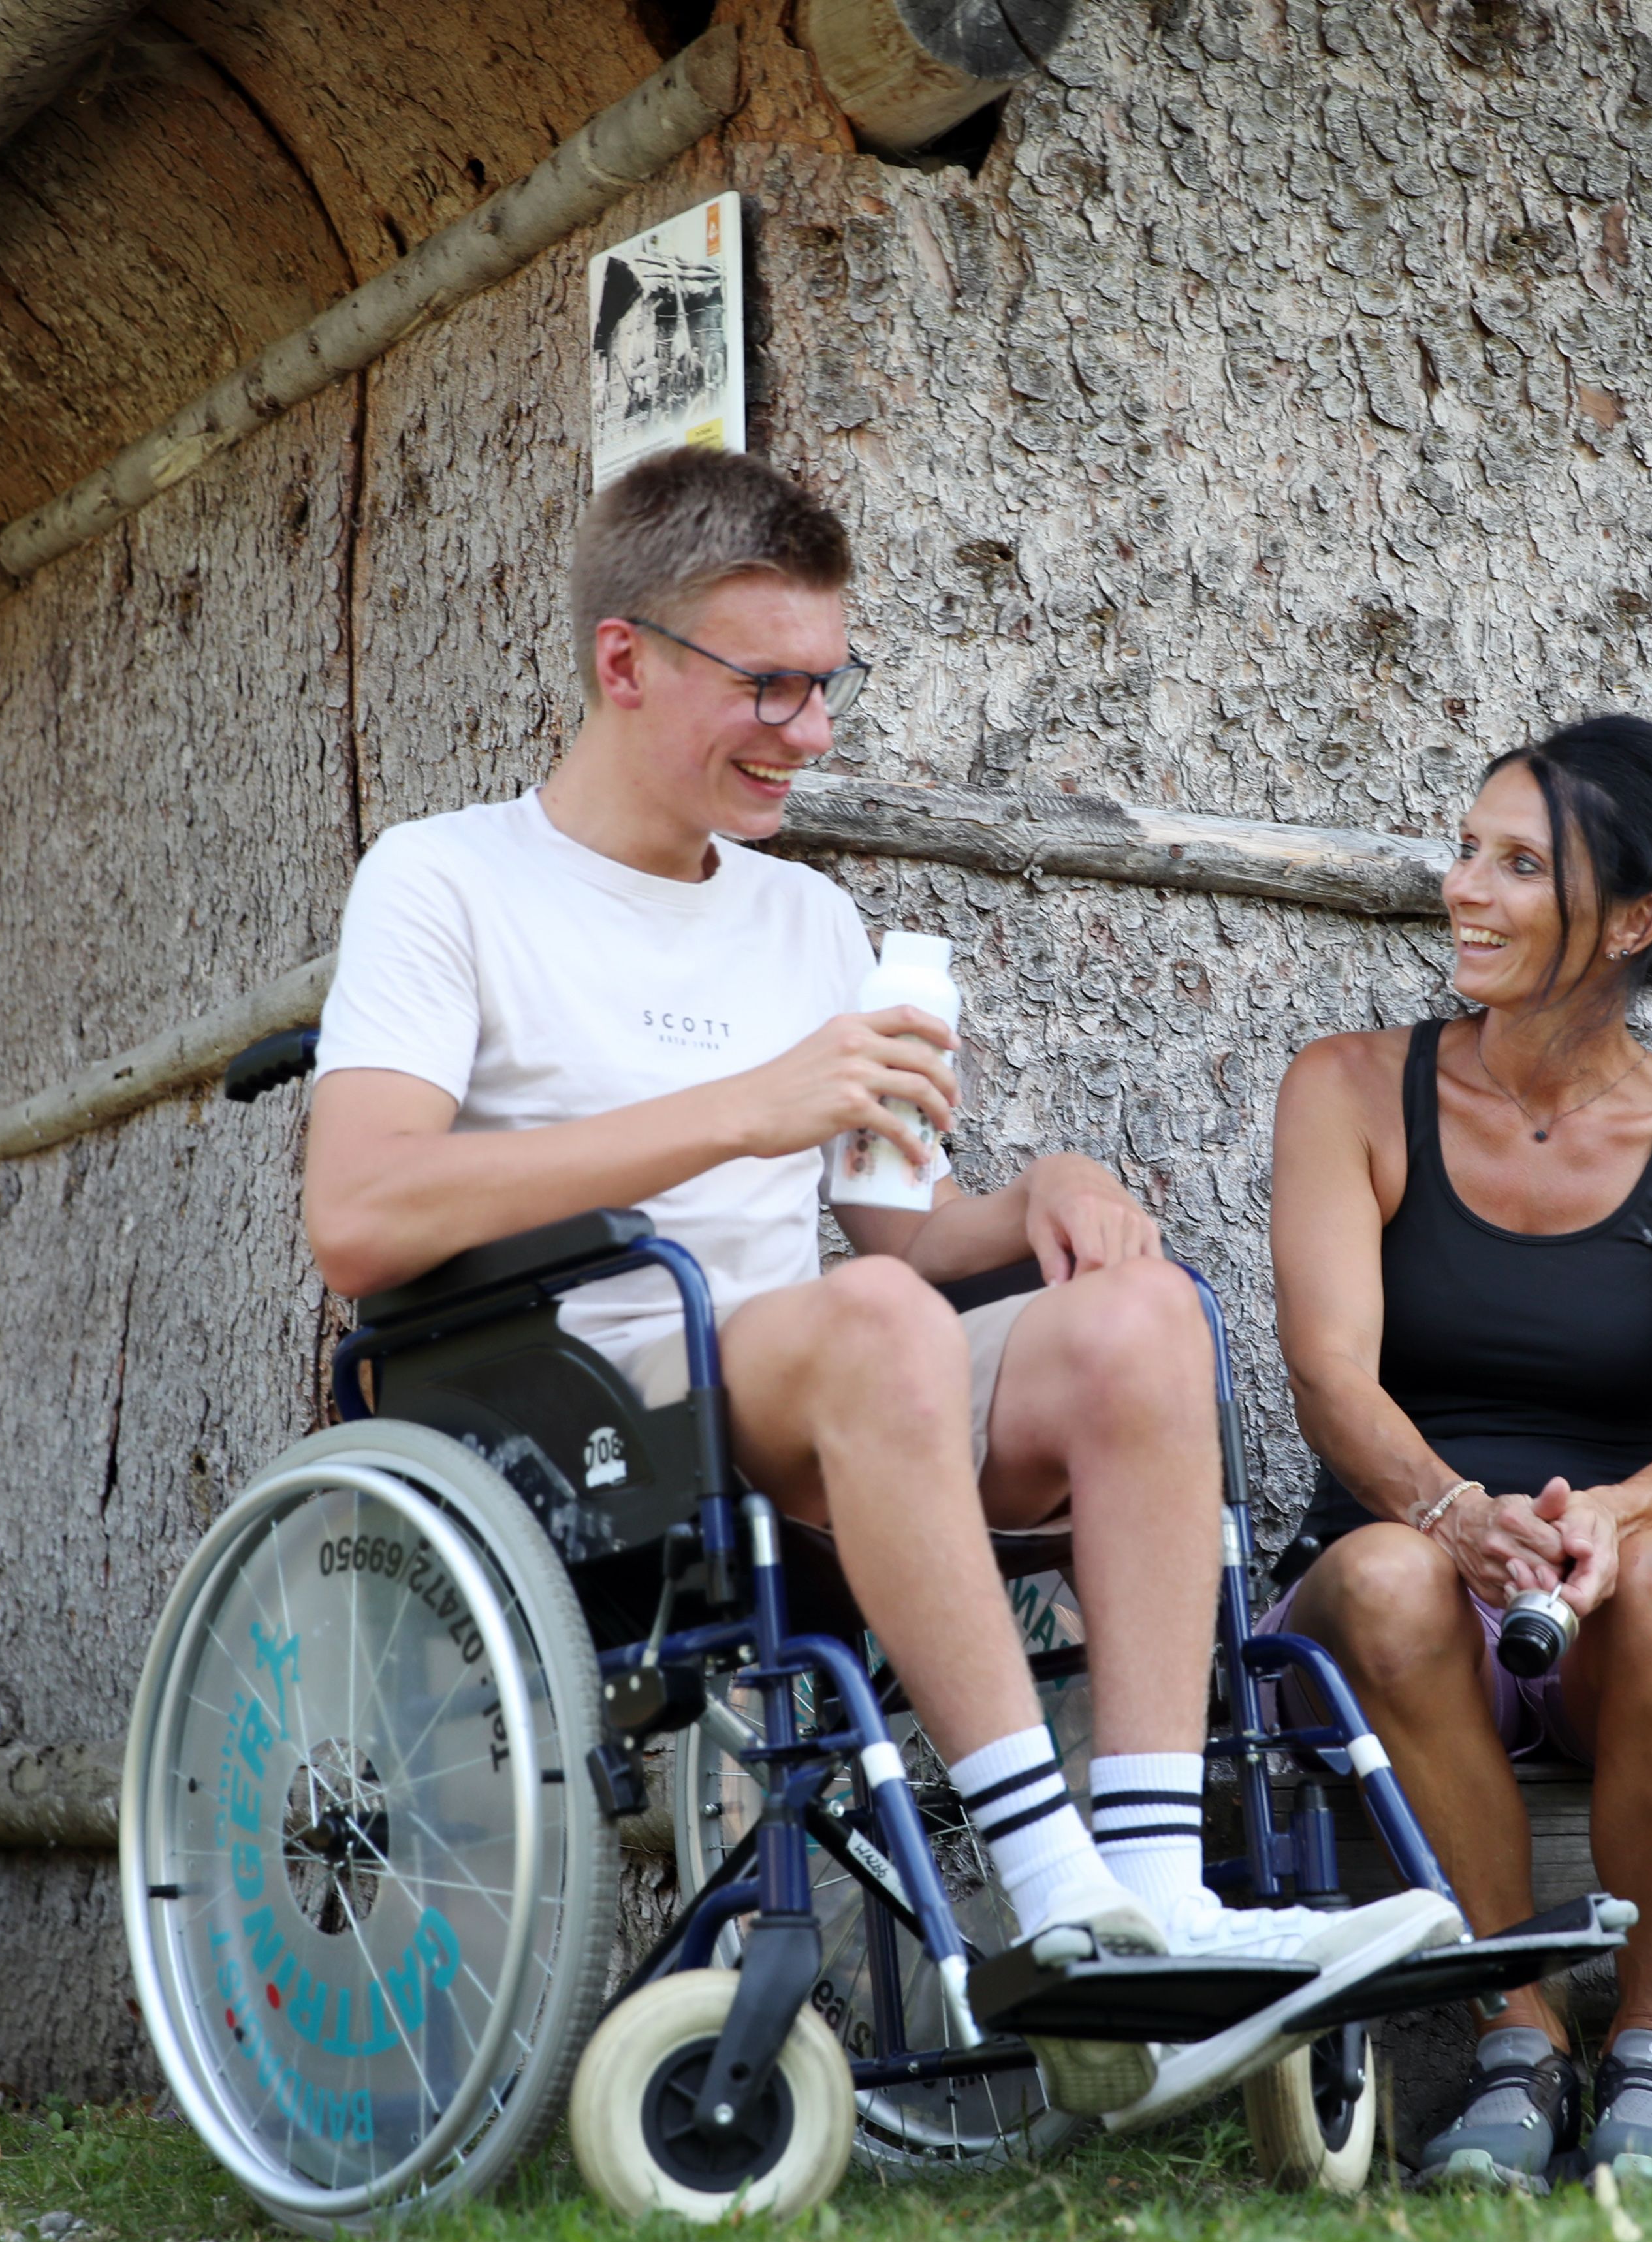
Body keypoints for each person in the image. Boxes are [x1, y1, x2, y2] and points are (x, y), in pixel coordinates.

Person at [299, 447, 1461, 2129]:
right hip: (573, 1418)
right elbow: (359, 1212)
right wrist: (742, 1110)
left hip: (838, 1388)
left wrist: (1039, 1198)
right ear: (626, 662)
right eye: (766, 683)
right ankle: (1049, 1886)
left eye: (827, 684)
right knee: (875, 1329)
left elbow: (897, 1243)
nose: (811, 730)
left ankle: (1159, 1888)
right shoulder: (448, 877)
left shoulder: (810, 919)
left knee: (1141, 1316)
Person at [1265, 714, 1652, 2188]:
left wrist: (1618, 1520)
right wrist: (1447, 1509)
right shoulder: (1352, 1089)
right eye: (1467, 851)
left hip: (1602, 1600)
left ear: (1635, 920)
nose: (1467, 890)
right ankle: (1519, 2038)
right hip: (1397, 1589)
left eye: (1519, 865)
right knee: (1381, 1578)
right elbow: (1328, 1373)